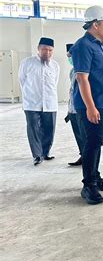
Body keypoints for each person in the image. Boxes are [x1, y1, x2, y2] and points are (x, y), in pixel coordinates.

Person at [71, 5, 103, 205]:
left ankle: (95, 177)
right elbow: (82, 78)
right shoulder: (83, 46)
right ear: (95, 25)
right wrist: (90, 106)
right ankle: (88, 185)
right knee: (92, 142)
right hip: (92, 105)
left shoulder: (100, 46)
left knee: (98, 141)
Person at [18, 37, 60, 166]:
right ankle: (37, 155)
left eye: (50, 50)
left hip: (50, 103)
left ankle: (45, 153)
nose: (47, 52)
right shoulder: (27, 62)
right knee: (33, 129)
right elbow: (22, 80)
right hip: (31, 103)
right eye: (44, 49)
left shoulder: (55, 65)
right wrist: (29, 95)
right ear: (38, 49)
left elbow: (55, 83)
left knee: (49, 129)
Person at [65, 43, 85, 166]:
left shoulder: (85, 69)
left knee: (85, 136)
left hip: (82, 109)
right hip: (72, 109)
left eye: (71, 55)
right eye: (68, 56)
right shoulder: (72, 71)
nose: (69, 58)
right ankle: (82, 156)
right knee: (78, 135)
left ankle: (88, 159)